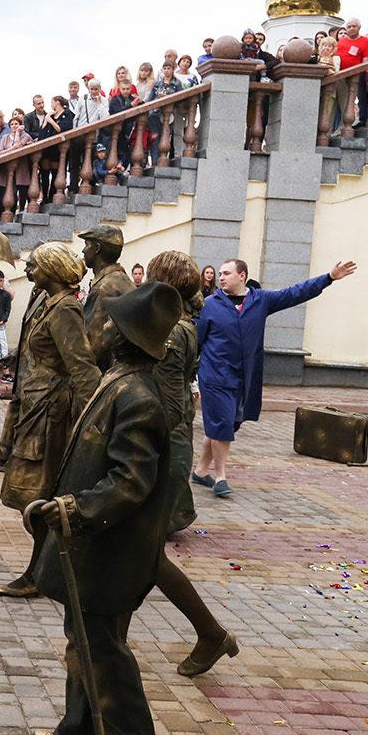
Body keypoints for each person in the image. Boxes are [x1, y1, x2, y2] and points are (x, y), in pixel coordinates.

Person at [29, 282, 181, 735]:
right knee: (83, 637)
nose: (105, 325)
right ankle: (79, 728)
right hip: (94, 542)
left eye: (114, 322)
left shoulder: (140, 398)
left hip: (113, 546)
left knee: (103, 645)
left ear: (126, 337)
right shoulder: (118, 379)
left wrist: (76, 509)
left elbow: (130, 481)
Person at [141, 252, 239, 676]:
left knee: (143, 552)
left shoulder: (175, 330)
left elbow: (165, 401)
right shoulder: (173, 324)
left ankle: (210, 632)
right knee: (136, 551)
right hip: (165, 439)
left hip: (165, 442)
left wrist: (143, 442)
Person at [192, 257, 357, 497]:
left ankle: (200, 471)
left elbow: (295, 293)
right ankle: (221, 477)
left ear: (242, 275)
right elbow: (195, 341)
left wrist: (329, 278)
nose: (221, 277)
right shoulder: (209, 305)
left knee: (224, 425)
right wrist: (191, 377)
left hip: (243, 378)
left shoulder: (260, 300)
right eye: (220, 273)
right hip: (214, 376)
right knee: (222, 424)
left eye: (227, 273)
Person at [0, 244, 100, 597]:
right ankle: (47, 570)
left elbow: (82, 367)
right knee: (35, 494)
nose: (29, 269)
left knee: (43, 494)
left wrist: (97, 419)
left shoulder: (65, 308)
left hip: (52, 414)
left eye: (35, 265)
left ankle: (39, 574)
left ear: (52, 269)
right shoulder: (48, 301)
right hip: (37, 406)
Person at [79, 225, 134, 366]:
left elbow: (94, 346)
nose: (83, 250)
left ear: (97, 248)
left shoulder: (103, 288)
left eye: (87, 245)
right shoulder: (122, 279)